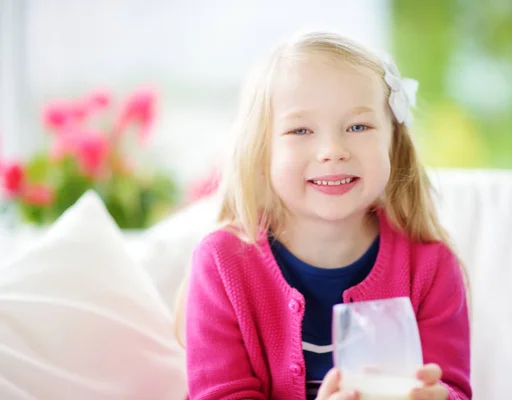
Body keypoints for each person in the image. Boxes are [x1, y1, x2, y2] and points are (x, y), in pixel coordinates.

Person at [181, 30, 471, 400]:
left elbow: (455, 389)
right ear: (261, 150)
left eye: (357, 127)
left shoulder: (430, 267)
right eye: (300, 129)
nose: (332, 151)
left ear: (393, 143)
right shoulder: (223, 264)